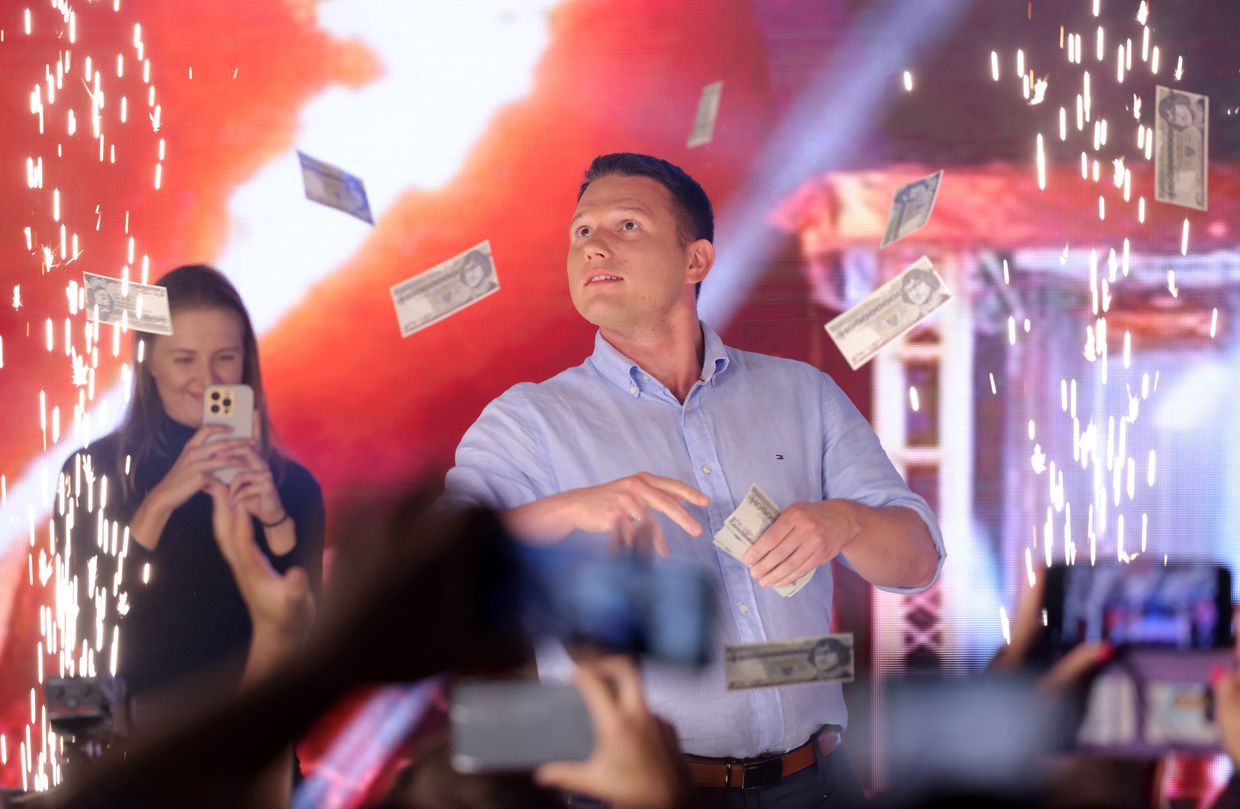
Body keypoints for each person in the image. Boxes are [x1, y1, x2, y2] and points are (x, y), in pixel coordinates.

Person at [445, 152, 945, 806]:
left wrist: (844, 520)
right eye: (581, 232)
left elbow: (918, 560)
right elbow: (435, 568)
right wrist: (573, 507)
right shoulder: (527, 420)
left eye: (626, 225)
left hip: (819, 783)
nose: (594, 245)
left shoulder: (802, 392)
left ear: (697, 262)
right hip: (637, 792)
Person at [58, 263, 325, 711]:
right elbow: (89, 622)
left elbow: (309, 642)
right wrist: (160, 501)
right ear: (150, 365)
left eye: (224, 357)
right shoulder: (92, 470)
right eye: (184, 359)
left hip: (250, 736)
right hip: (126, 748)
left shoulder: (295, 487)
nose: (208, 380)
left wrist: (277, 523)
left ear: (246, 359)